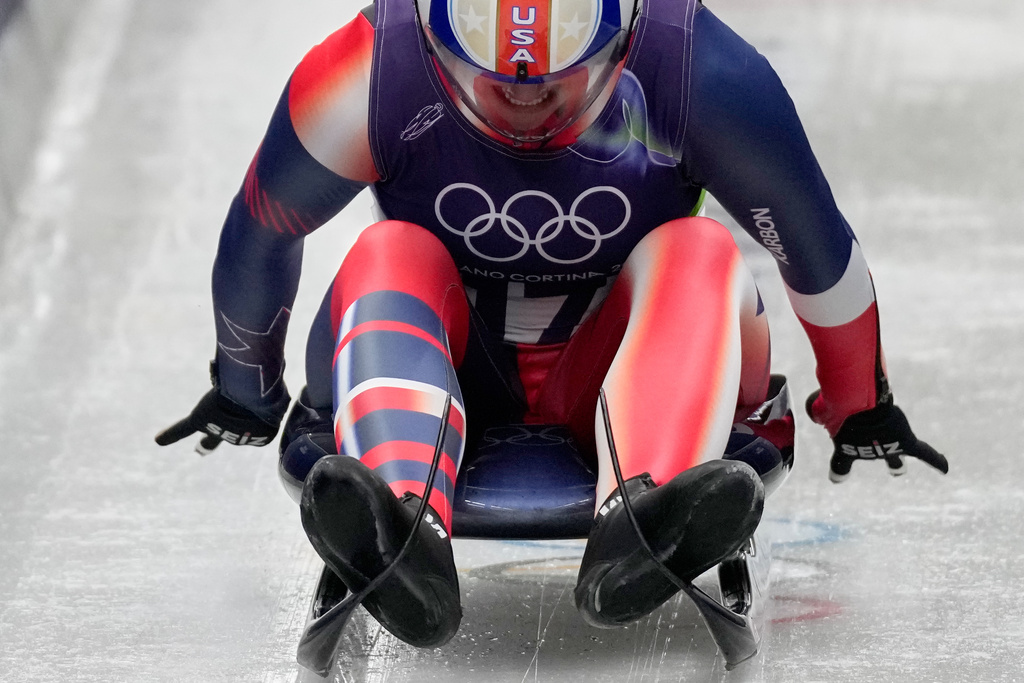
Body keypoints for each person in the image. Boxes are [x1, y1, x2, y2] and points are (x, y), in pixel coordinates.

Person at [156, 0, 948, 647]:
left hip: (613, 365)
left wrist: (858, 399)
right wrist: (245, 388)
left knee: (700, 252)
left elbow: (812, 242)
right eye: (492, 81)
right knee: (389, 249)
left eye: (553, 82)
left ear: (625, 42)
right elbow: (264, 224)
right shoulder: (367, 72)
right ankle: (403, 524)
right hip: (451, 358)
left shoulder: (701, 73)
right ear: (435, 46)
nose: (525, 101)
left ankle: (640, 508)